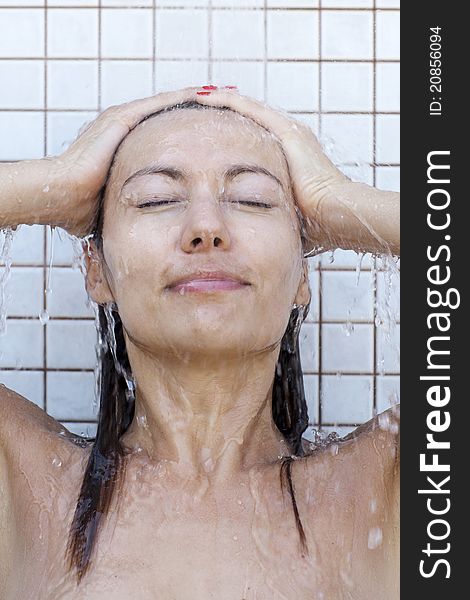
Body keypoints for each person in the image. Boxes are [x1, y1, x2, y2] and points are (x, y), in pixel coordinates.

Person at [0, 86, 399, 599]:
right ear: (96, 270)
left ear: (303, 272)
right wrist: (57, 182)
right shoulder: (26, 480)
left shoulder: (383, 483)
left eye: (253, 199)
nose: (206, 229)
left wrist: (334, 199)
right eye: (156, 200)